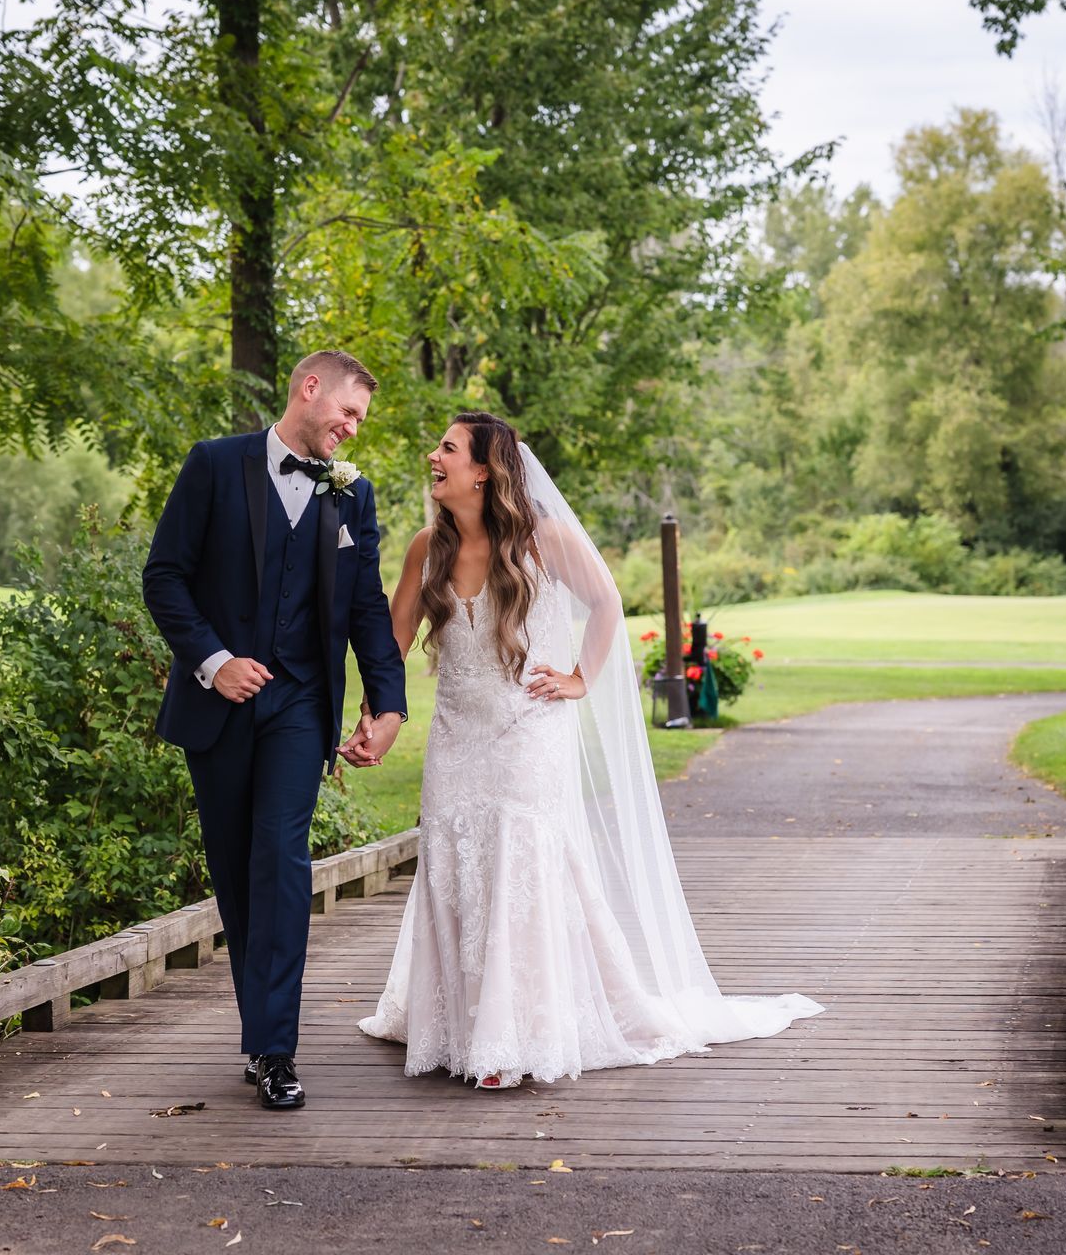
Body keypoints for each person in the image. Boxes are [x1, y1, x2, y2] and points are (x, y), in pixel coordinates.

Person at [354, 411, 821, 1088]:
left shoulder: (547, 539)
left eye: (447, 449)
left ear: (484, 470)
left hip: (528, 728)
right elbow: (388, 648)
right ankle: (456, 1022)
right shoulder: (426, 547)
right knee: (456, 861)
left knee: (517, 860)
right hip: (457, 735)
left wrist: (579, 678)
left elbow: (606, 601)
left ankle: (509, 1041)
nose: (434, 456)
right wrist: (375, 718)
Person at [143, 349, 408, 1111]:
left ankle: (275, 1050)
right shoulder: (214, 466)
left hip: (300, 705)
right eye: (348, 413)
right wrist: (215, 660)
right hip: (217, 704)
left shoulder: (351, 498)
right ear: (309, 388)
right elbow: (163, 577)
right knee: (236, 875)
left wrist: (385, 707)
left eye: (361, 420)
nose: (352, 430)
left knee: (282, 860)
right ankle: (259, 1034)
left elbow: (365, 608)